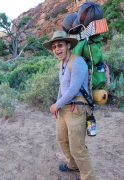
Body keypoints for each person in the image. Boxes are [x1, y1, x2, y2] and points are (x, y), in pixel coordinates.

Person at [43, 30, 96, 180]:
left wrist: (56, 104)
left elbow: (73, 89)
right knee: (62, 139)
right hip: (64, 108)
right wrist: (58, 105)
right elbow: (63, 87)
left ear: (68, 45)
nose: (57, 50)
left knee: (77, 147)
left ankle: (89, 177)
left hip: (77, 108)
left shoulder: (77, 61)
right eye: (54, 47)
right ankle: (72, 165)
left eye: (60, 45)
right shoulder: (62, 64)